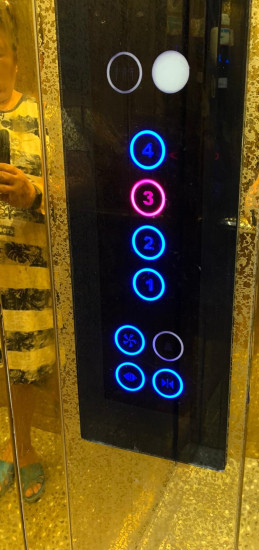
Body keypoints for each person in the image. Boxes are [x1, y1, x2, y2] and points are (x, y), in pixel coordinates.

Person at [0, 4, 53, 503]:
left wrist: (32, 192)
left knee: (24, 366)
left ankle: (23, 445)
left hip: (24, 270)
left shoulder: (41, 118)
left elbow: (72, 189)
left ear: (16, 57)